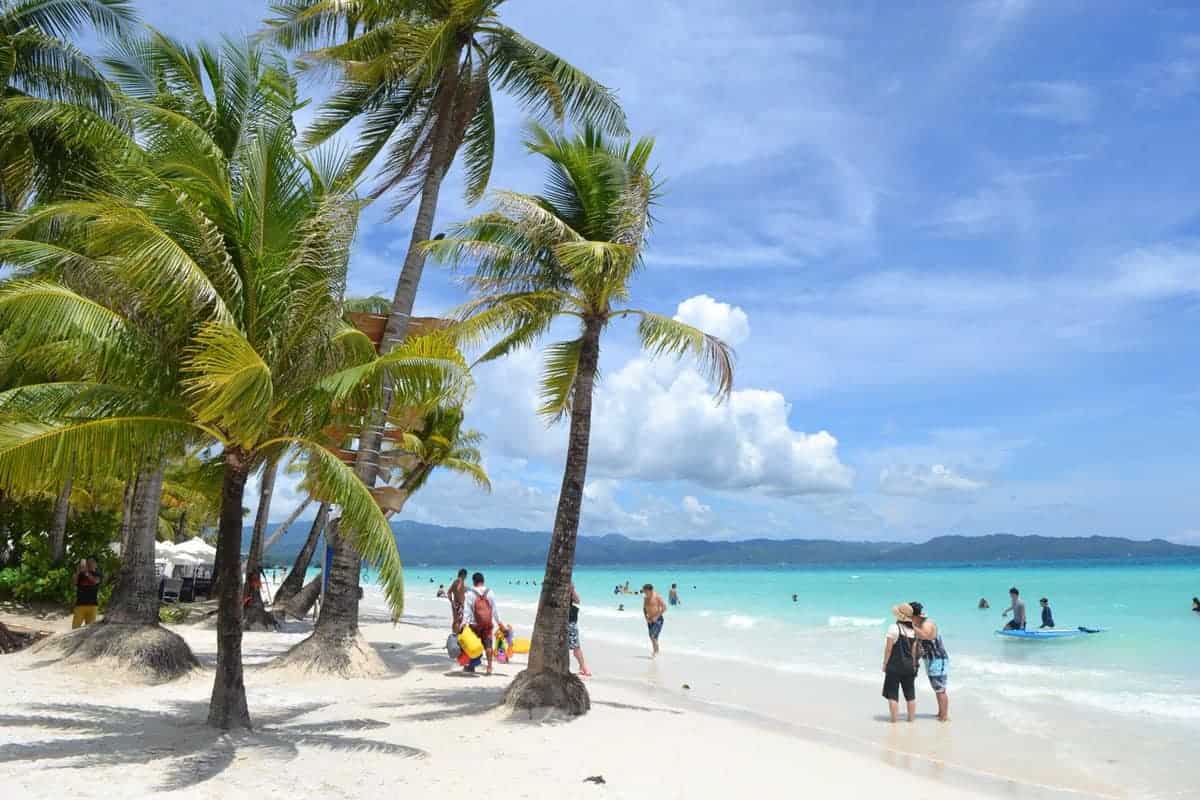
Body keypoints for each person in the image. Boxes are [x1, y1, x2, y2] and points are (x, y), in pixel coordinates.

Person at [910, 601, 950, 722]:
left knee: (940, 689)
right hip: (930, 660)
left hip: (937, 660)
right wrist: (915, 660)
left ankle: (944, 716)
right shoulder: (918, 623)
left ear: (914, 615)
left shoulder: (927, 624)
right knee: (937, 688)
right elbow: (918, 644)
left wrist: (911, 626)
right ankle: (941, 713)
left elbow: (925, 635)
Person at [882, 602, 919, 723]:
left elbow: (888, 649)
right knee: (910, 695)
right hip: (909, 667)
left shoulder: (894, 628)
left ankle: (894, 721)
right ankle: (911, 720)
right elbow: (914, 652)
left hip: (894, 666)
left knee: (893, 695)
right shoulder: (914, 631)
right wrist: (914, 665)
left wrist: (885, 664)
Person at [462, 572, 503, 675]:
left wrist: (464, 623)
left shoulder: (469, 593)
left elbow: (467, 611)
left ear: (473, 581)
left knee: (473, 644)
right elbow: (494, 610)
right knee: (488, 644)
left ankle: (471, 666)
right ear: (483, 581)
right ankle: (489, 667)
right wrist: (499, 623)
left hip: (474, 624)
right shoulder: (490, 592)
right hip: (487, 623)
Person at [568, 583, 591, 677]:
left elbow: (577, 601)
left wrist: (572, 590)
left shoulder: (569, 591)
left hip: (571, 622)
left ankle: (583, 667)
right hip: (560, 622)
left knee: (576, 647)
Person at [72, 558, 101, 629]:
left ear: (96, 565)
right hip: (80, 605)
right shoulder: (81, 574)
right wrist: (78, 571)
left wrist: (86, 573)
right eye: (89, 562)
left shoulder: (98, 574)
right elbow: (74, 583)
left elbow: (95, 581)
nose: (90, 564)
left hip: (93, 606)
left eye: (92, 562)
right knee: (75, 629)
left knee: (89, 629)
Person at [642, 583, 667, 657]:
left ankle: (656, 652)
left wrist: (656, 617)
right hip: (650, 620)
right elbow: (644, 609)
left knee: (653, 636)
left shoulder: (657, 597)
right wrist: (646, 618)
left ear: (650, 590)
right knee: (652, 637)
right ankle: (656, 651)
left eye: (646, 591)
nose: (644, 593)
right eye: (644, 591)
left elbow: (664, 607)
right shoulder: (645, 598)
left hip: (658, 619)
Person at [448, 568, 467, 633]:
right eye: (465, 576)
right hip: (459, 604)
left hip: (454, 603)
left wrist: (452, 601)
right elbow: (458, 589)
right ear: (463, 574)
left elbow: (449, 592)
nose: (466, 577)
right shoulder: (461, 580)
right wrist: (461, 602)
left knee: (455, 620)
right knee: (460, 620)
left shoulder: (455, 581)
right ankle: (458, 634)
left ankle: (453, 634)